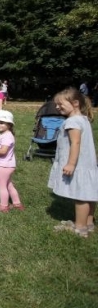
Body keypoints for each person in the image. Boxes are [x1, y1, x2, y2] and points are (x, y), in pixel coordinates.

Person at [48, 87, 97, 238]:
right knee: (89, 195)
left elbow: (75, 143)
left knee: (81, 196)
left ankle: (80, 228)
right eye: (56, 104)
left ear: (75, 103)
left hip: (78, 165)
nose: (57, 107)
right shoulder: (83, 119)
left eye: (60, 104)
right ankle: (89, 223)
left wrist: (71, 164)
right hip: (87, 165)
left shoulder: (72, 122)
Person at [0, 110, 21, 212]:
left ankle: (3, 206)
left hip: (4, 166)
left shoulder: (6, 136)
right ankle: (16, 203)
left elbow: (3, 151)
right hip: (8, 165)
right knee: (9, 184)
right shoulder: (5, 134)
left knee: (1, 186)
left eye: (1, 123)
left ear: (9, 125)